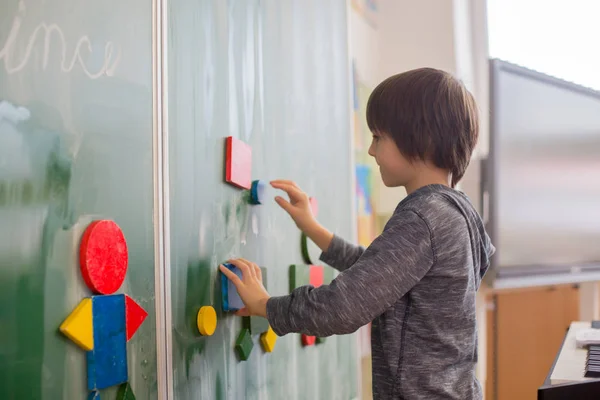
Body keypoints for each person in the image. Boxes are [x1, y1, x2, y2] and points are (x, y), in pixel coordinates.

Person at [220, 67, 495, 400]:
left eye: (378, 137)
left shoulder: (423, 218)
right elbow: (380, 274)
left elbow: (344, 306)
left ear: (418, 139)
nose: (371, 150)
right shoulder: (458, 214)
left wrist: (266, 305)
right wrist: (315, 230)